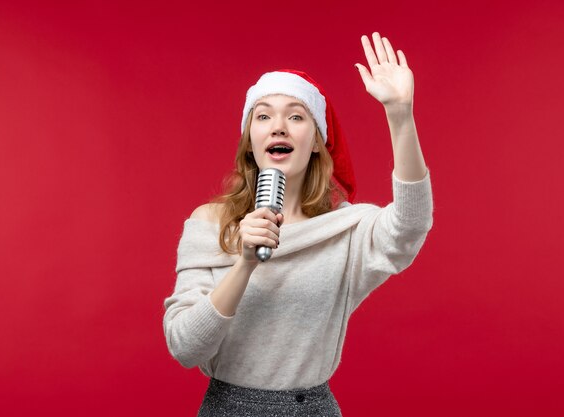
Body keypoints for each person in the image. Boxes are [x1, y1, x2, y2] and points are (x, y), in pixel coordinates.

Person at [163, 32, 433, 417]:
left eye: (295, 115)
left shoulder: (344, 231)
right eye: (263, 115)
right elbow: (185, 346)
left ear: (318, 141)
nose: (279, 127)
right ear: (250, 140)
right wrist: (244, 264)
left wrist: (400, 116)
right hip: (229, 409)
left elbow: (411, 225)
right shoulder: (210, 224)